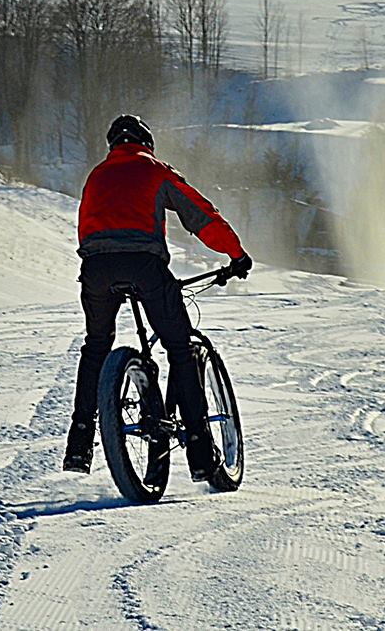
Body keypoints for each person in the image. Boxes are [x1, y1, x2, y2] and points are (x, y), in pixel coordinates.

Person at [64, 114, 251, 476]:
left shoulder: (96, 175)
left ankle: (79, 444)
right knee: (179, 347)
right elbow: (201, 216)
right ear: (146, 143)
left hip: (96, 270)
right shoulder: (154, 170)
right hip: (144, 268)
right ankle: (199, 451)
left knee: (97, 345)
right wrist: (236, 254)